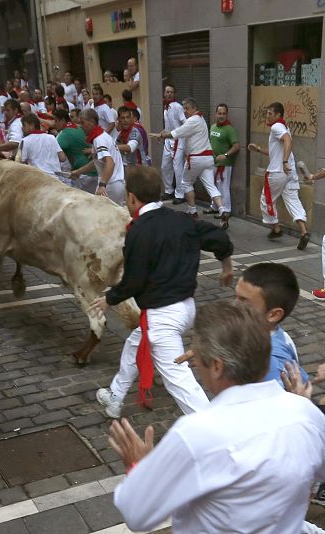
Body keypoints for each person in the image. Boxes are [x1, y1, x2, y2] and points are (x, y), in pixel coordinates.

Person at [108, 301, 325, 533]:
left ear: (217, 367)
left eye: (198, 357)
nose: (195, 365)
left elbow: (137, 515)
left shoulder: (195, 433)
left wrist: (140, 467)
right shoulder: (305, 412)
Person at [91, 166, 233, 417]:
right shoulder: (181, 219)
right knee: (134, 346)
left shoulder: (139, 230)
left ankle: (215, 430)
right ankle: (115, 396)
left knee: (179, 381)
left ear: (132, 197)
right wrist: (226, 264)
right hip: (185, 308)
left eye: (126, 197)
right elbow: (217, 237)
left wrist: (109, 299)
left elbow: (135, 280)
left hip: (163, 316)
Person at [152, 97, 228, 227]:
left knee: (186, 183)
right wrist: (165, 133)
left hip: (196, 158)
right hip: (208, 159)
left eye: (186, 109)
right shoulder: (201, 119)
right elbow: (180, 131)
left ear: (193, 108)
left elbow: (177, 132)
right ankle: (222, 209)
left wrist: (161, 135)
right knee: (211, 186)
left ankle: (192, 211)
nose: (185, 111)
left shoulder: (193, 121)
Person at [247, 101, 310, 250]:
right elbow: (276, 151)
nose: (267, 116)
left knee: (266, 199)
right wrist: (258, 149)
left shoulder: (277, 127)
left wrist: (284, 161)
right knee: (293, 201)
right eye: (267, 113)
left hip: (278, 171)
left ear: (278, 115)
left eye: (270, 114)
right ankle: (304, 232)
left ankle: (276, 228)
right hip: (289, 172)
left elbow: (288, 140)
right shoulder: (283, 126)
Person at [234, 263, 309, 385]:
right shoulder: (268, 335)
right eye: (236, 297)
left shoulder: (269, 362)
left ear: (273, 315)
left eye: (244, 301)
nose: (234, 305)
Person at [71, 108, 126, 205]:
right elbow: (97, 162)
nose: (81, 127)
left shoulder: (99, 139)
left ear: (92, 122)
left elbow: (110, 162)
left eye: (82, 123)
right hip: (114, 184)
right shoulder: (101, 136)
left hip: (110, 184)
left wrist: (102, 184)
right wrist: (79, 171)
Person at [205, 103, 239, 219]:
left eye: (224, 114)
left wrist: (225, 155)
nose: (221, 116)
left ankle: (226, 210)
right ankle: (215, 207)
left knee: (223, 187)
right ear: (216, 114)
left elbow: (236, 146)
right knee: (213, 186)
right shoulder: (213, 127)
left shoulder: (229, 129)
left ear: (227, 115)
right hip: (213, 163)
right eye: (219, 113)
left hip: (225, 165)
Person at [55, 109, 96, 193]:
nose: (54, 123)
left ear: (62, 120)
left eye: (55, 121)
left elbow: (55, 153)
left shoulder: (64, 134)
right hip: (95, 171)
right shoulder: (79, 127)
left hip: (83, 175)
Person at [160, 84, 186, 203]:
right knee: (165, 166)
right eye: (167, 92)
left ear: (174, 94)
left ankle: (180, 194)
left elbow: (185, 123)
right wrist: (163, 133)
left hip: (178, 140)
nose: (169, 94)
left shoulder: (177, 107)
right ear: (164, 94)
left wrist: (176, 134)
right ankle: (168, 190)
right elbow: (168, 126)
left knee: (178, 168)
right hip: (167, 141)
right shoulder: (166, 107)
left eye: (171, 92)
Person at [20, 113, 66, 178]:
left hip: (39, 180)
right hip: (56, 179)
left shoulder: (25, 141)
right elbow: (63, 158)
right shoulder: (51, 137)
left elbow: (22, 163)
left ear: (32, 125)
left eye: (24, 125)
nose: (22, 128)